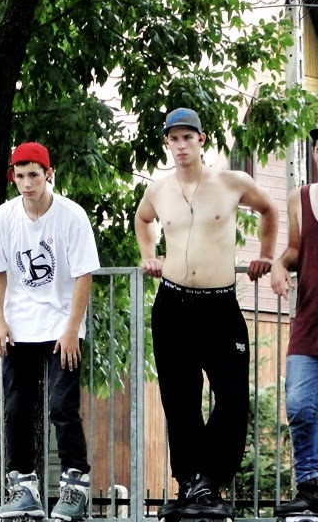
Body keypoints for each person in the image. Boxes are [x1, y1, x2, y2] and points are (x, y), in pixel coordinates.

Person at [135, 107, 278, 521]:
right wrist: (148, 254)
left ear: (201, 140)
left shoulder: (231, 182)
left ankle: (209, 481)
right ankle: (189, 487)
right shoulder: (159, 189)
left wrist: (266, 255)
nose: (181, 145)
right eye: (173, 139)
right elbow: (143, 219)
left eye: (187, 137)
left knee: (232, 396)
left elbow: (269, 210)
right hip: (172, 305)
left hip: (219, 306)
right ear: (167, 143)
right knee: (179, 401)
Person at [0, 142, 100, 522]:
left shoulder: (71, 216)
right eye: (20, 176)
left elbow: (84, 274)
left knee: (62, 406)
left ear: (49, 175)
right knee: (16, 409)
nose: (27, 183)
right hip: (19, 325)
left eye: (34, 175)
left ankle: (75, 486)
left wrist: (72, 329)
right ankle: (24, 489)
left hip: (61, 325)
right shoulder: (5, 216)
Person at [271, 134, 318, 518]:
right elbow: (294, 251)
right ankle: (310, 487)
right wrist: (277, 265)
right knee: (300, 406)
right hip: (309, 320)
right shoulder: (300, 198)